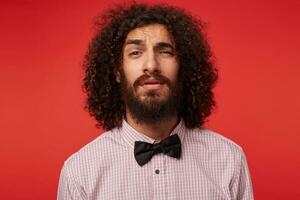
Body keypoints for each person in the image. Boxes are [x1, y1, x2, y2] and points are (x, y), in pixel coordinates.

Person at [57, 3, 253, 200]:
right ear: (117, 71)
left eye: (165, 51)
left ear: (184, 67)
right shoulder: (80, 172)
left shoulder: (229, 159)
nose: (151, 65)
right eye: (135, 52)